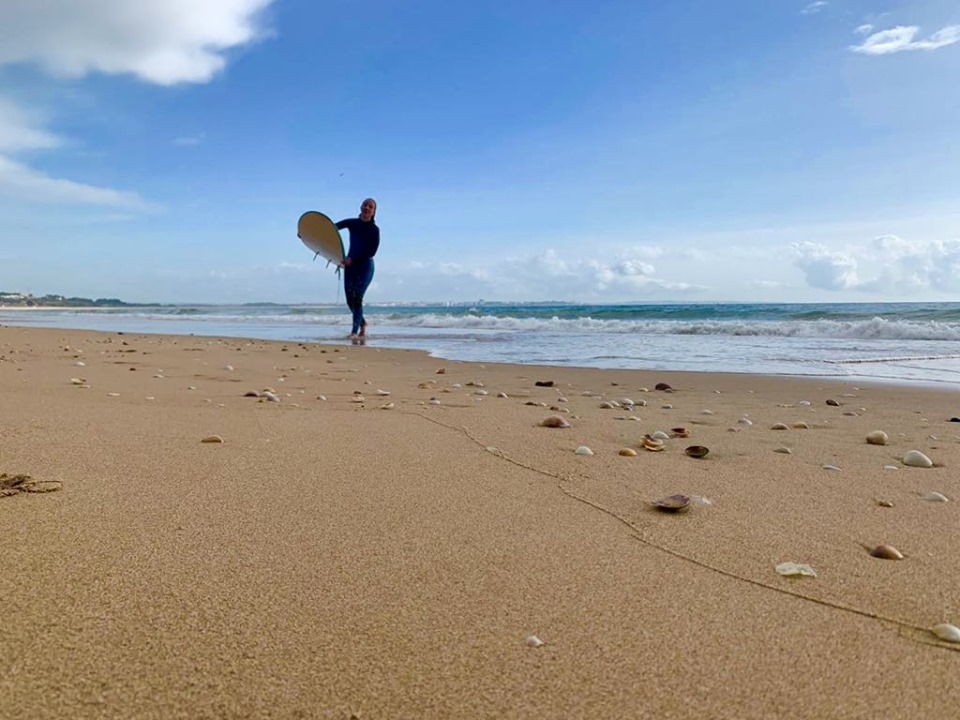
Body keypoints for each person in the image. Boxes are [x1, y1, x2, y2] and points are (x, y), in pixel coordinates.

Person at [335, 198, 380, 340]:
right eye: (365, 205)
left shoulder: (374, 230)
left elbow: (371, 252)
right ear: (360, 208)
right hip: (350, 266)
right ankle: (363, 323)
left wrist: (352, 259)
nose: (367, 208)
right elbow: (330, 229)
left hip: (365, 266)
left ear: (373, 212)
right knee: (350, 301)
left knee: (358, 298)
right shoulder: (352, 223)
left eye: (370, 206)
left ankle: (354, 332)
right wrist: (308, 233)